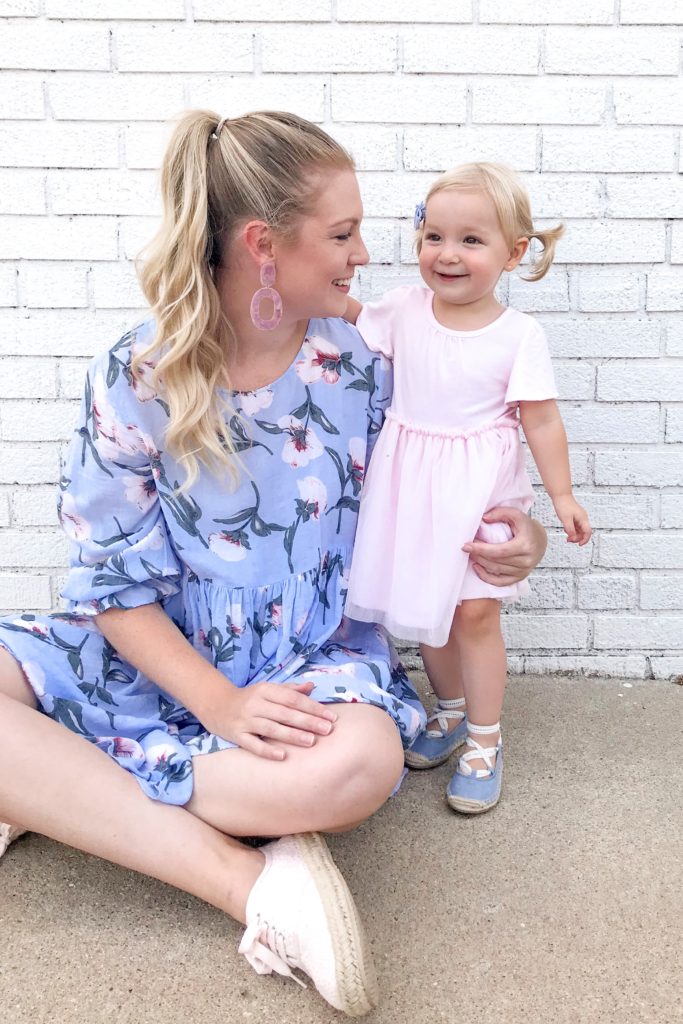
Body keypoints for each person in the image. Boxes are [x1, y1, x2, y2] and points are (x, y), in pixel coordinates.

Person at [0, 119, 547, 1016]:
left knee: (357, 770)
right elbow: (109, 589)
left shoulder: (370, 362)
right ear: (263, 245)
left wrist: (510, 532)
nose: (366, 256)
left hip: (312, 661)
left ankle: (63, 790)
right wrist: (218, 704)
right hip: (164, 654)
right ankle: (248, 880)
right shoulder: (135, 376)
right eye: (341, 234)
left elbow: (453, 469)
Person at [344, 162, 591, 817]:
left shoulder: (518, 336)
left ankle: (485, 738)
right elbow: (348, 315)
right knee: (427, 605)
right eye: (433, 236)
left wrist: (561, 496)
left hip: (480, 490)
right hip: (411, 485)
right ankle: (449, 711)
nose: (447, 254)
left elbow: (539, 418)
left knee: (475, 613)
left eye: (470, 241)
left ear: (511, 253)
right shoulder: (402, 310)